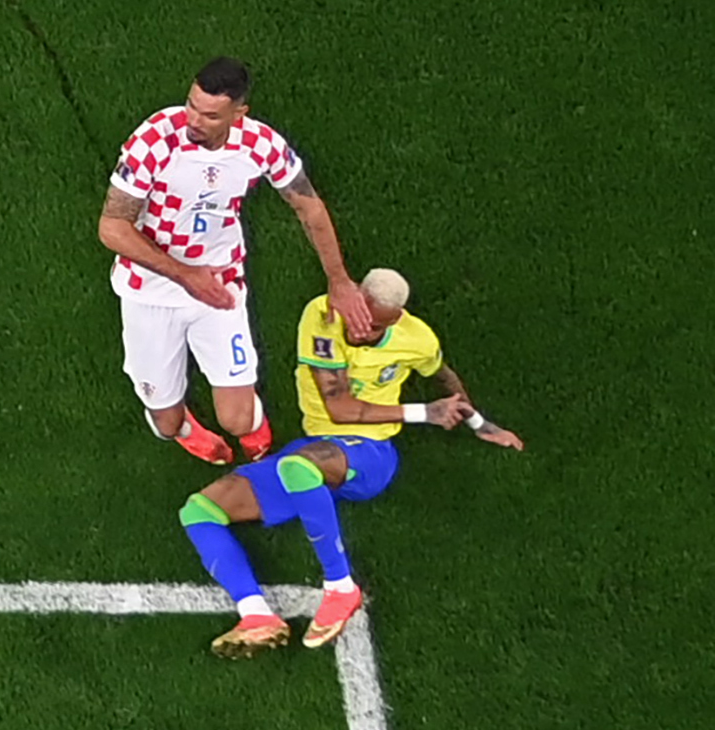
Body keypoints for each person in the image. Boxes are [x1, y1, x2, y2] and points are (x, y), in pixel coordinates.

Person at [179, 275, 522, 656]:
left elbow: (442, 375)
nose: (365, 332)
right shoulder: (322, 317)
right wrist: (425, 412)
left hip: (371, 454)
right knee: (199, 510)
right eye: (364, 319)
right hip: (316, 447)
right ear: (355, 298)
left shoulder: (417, 338)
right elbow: (339, 409)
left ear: (396, 320)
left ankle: (341, 587)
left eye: (378, 327)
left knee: (297, 468)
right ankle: (256, 614)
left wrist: (481, 424)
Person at [100, 57, 374, 466]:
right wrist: (187, 276)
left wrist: (339, 281)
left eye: (210, 115)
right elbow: (112, 228)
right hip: (149, 289)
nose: (193, 120)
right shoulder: (155, 140)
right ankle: (184, 427)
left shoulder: (260, 144)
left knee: (238, 419)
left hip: (221, 280)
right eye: (191, 105)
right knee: (167, 423)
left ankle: (249, 423)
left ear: (238, 113)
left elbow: (309, 207)